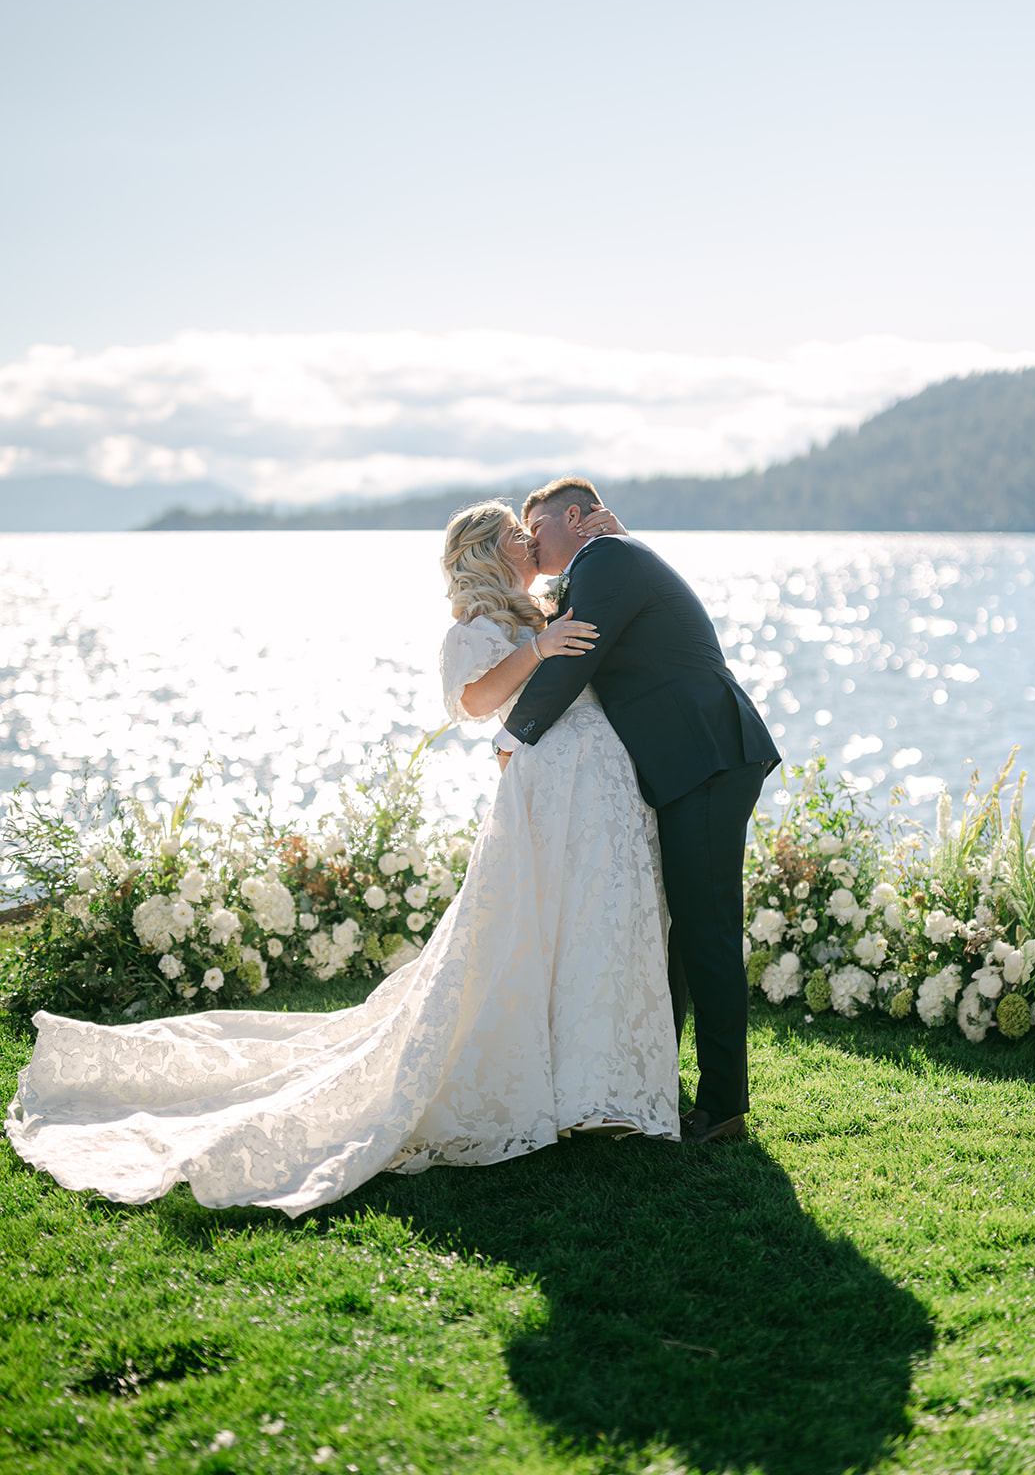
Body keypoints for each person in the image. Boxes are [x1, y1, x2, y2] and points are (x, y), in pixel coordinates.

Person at [6, 501, 679, 1219]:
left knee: (588, 923)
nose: (529, 538)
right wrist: (539, 653)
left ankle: (596, 1084)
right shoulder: (475, 631)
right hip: (544, 795)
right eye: (517, 533)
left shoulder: (539, 610)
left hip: (587, 783)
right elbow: (474, 701)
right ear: (488, 551)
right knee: (524, 931)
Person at [498, 477, 781, 1143]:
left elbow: (581, 650)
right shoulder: (608, 560)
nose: (530, 539)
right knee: (683, 928)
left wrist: (515, 733)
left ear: (575, 517)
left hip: (708, 755)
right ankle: (657, 1076)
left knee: (706, 928)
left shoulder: (610, 559)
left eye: (535, 526)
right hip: (691, 760)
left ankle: (723, 1106)